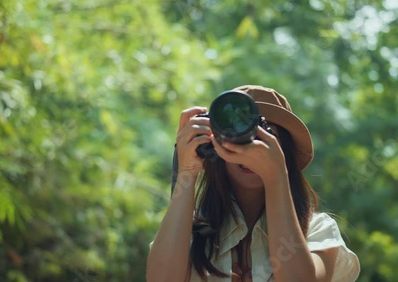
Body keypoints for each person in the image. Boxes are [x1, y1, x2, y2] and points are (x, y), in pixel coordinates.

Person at [147, 85, 360, 282]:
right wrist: (188, 171)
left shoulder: (317, 230)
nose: (251, 147)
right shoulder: (187, 230)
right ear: (217, 144)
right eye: (239, 134)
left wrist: (276, 177)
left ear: (284, 152)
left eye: (265, 134)